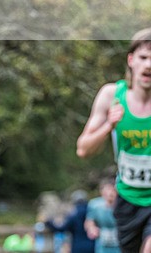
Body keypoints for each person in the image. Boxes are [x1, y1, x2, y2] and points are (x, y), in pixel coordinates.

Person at [77, 27, 151, 252]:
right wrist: (109, 125)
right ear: (131, 60)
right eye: (143, 57)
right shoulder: (112, 96)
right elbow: (83, 149)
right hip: (127, 198)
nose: (149, 65)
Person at [85, 178, 120, 253]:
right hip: (103, 245)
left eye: (113, 190)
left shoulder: (123, 206)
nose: (110, 193)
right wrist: (92, 228)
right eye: (107, 190)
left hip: (120, 244)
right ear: (102, 192)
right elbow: (89, 221)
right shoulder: (94, 205)